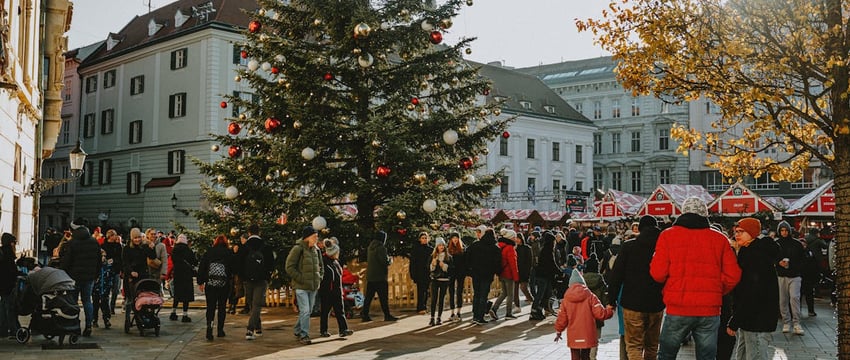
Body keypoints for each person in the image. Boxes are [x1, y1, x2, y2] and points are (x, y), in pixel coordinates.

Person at [649, 197, 741, 360]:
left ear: (683, 212)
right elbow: (733, 275)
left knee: (666, 354)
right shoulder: (719, 239)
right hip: (709, 310)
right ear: (705, 214)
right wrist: (717, 289)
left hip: (678, 307)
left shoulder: (667, 236)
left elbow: (657, 273)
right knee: (707, 356)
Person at [606, 215, 664, 360]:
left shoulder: (629, 246)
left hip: (632, 303)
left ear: (640, 228)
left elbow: (616, 275)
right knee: (652, 346)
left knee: (633, 345)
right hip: (656, 303)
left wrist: (611, 301)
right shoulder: (662, 247)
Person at [724, 217, 779, 360]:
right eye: (736, 231)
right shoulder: (749, 251)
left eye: (741, 231)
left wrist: (736, 320)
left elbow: (752, 292)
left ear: (752, 233)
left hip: (756, 319)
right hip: (750, 318)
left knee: (755, 355)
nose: (737, 234)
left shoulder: (755, 255)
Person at [554, 269, 615, 360]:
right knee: (586, 356)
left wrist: (558, 331)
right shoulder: (591, 296)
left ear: (570, 285)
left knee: (575, 356)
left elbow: (561, 318)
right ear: (583, 284)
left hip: (573, 335)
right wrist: (610, 310)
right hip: (588, 333)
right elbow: (600, 314)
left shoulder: (566, 299)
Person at [61, 218, 102, 337]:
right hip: (89, 277)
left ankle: (75, 325)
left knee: (73, 302)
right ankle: (89, 325)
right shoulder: (94, 242)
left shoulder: (72, 242)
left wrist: (63, 272)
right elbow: (99, 261)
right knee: (87, 301)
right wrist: (96, 275)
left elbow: (66, 262)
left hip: (73, 277)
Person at [286, 226, 323, 345]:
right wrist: (301, 279)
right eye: (314, 236)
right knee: (305, 310)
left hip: (313, 286)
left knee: (308, 311)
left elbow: (321, 266)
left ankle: (297, 329)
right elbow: (289, 267)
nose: (316, 239)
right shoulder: (298, 249)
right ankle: (304, 335)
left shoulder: (316, 250)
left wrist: (319, 278)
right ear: (307, 237)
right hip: (301, 286)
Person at [238, 224, 275, 340]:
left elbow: (237, 265)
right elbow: (271, 264)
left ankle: (252, 328)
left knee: (252, 304)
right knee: (257, 305)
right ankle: (252, 329)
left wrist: (243, 277)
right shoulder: (266, 247)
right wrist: (267, 276)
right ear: (260, 233)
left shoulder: (244, 247)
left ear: (248, 233)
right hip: (261, 280)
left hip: (247, 280)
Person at [197, 234, 234, 340]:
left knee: (211, 307)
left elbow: (202, 267)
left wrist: (201, 282)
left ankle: (209, 328)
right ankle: (220, 330)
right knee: (222, 307)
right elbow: (233, 268)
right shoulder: (228, 252)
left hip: (210, 284)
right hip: (224, 284)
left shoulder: (209, 252)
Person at [774, 221, 805, 335]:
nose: (784, 232)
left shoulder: (796, 244)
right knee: (783, 300)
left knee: (794, 298)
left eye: (786, 230)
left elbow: (802, 259)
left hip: (794, 275)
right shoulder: (776, 243)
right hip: (782, 274)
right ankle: (787, 322)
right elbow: (772, 258)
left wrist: (790, 264)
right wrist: (778, 263)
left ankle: (796, 323)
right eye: (782, 230)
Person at [466, 227, 502, 325]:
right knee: (483, 295)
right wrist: (497, 272)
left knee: (477, 294)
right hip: (487, 275)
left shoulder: (475, 245)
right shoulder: (495, 248)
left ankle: (475, 316)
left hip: (476, 274)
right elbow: (498, 263)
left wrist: (470, 270)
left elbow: (467, 256)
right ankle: (480, 317)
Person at [318, 239, 353, 338]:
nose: (338, 253)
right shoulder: (324, 262)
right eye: (337, 252)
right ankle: (323, 330)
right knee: (325, 312)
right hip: (327, 292)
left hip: (337, 291)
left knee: (340, 311)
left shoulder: (335, 262)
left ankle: (343, 329)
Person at [360, 231, 398, 322]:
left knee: (368, 297)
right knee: (383, 298)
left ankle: (365, 314)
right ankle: (387, 315)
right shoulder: (381, 248)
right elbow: (384, 261)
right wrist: (390, 260)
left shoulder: (370, 247)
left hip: (371, 276)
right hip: (380, 276)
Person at [582, 256, 609, 360]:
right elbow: (604, 297)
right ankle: (592, 357)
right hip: (597, 313)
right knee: (595, 337)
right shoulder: (600, 279)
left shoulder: (582, 279)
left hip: (584, 313)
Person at [490, 229, 519, 320]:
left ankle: (494, 309)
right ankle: (508, 313)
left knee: (504, 293)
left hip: (501, 273)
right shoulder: (510, 248)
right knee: (510, 294)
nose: (516, 239)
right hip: (509, 274)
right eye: (514, 237)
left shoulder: (500, 246)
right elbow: (513, 264)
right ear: (510, 237)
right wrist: (516, 277)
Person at [530, 232, 559, 320]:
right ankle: (534, 311)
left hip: (544, 275)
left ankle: (538, 309)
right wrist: (560, 272)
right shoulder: (548, 250)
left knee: (546, 294)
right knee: (541, 294)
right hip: (543, 276)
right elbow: (552, 264)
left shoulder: (545, 249)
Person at [169, 234, 196, 322]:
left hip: (177, 274)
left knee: (177, 294)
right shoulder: (188, 250)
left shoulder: (174, 249)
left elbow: (173, 260)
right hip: (187, 275)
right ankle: (185, 315)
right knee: (186, 295)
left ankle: (173, 313)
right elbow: (194, 261)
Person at [0, 233, 19, 339]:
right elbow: (11, 270)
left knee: (3, 305)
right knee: (10, 307)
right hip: (8, 284)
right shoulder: (8, 253)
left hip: (2, 284)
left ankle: (3, 329)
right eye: (14, 243)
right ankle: (13, 329)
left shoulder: (2, 251)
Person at [410, 232, 433, 315]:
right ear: (420, 239)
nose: (424, 239)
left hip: (427, 273)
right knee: (420, 290)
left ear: (428, 239)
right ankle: (420, 307)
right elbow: (413, 262)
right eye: (422, 238)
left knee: (426, 291)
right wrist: (413, 273)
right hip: (419, 273)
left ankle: (424, 306)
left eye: (425, 238)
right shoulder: (416, 249)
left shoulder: (430, 249)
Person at [102, 229, 123, 316]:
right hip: (106, 270)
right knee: (106, 290)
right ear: (110, 236)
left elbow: (121, 258)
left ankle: (112, 307)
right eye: (114, 235)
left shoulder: (118, 246)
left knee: (115, 290)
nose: (116, 236)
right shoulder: (103, 246)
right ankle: (105, 307)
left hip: (116, 270)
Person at [446, 233, 466, 321]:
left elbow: (465, 261)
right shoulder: (448, 250)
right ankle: (452, 312)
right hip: (451, 273)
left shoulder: (462, 249)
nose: (455, 239)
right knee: (451, 291)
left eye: (456, 238)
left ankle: (459, 312)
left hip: (460, 273)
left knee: (459, 291)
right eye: (453, 238)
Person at [800, 237, 820, 317]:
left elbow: (814, 265)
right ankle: (808, 311)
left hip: (807, 277)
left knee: (807, 295)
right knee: (802, 295)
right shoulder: (809, 253)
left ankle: (810, 310)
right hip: (803, 276)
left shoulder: (809, 253)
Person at [514, 232, 534, 309]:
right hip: (516, 271)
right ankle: (517, 306)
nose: (517, 240)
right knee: (515, 290)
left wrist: (528, 272)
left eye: (518, 238)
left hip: (524, 272)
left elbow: (529, 262)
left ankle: (532, 300)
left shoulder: (527, 248)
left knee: (523, 288)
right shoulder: (515, 248)